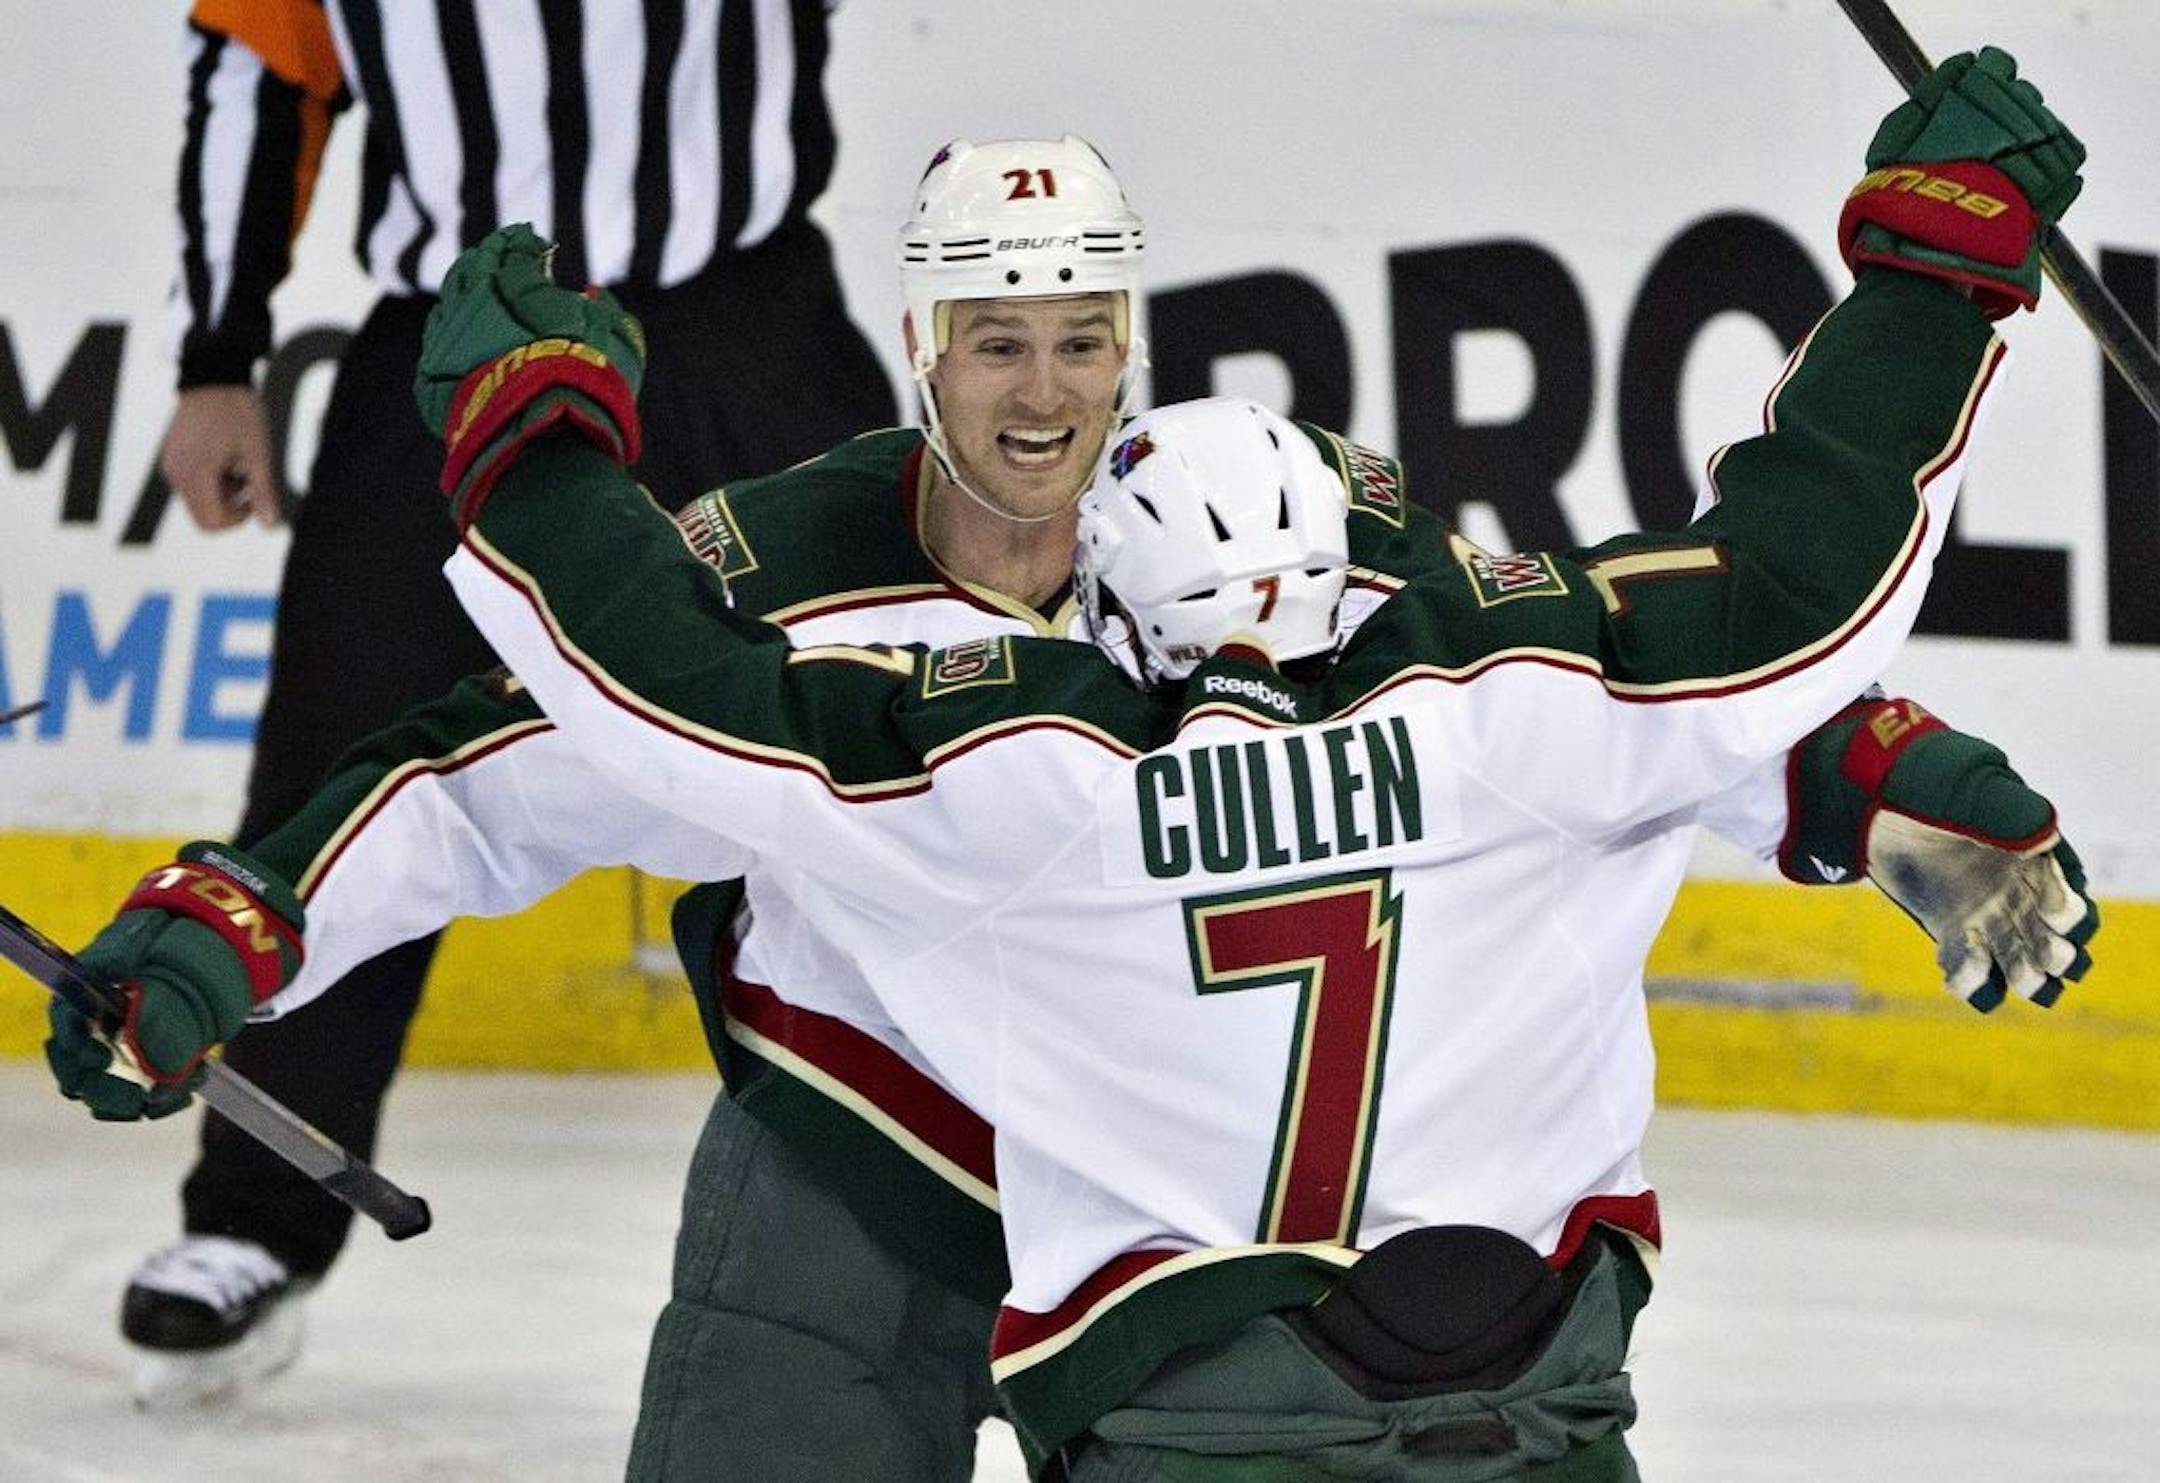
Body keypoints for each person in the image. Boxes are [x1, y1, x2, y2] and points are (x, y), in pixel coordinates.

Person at [51, 48, 2099, 1481]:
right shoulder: (781, 571)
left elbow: (1547, 719)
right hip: (878, 1173)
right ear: (919, 350)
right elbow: (494, 782)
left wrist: (1863, 782)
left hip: (1179, 1250)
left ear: (1136, 341)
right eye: (997, 342)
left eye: (1083, 339)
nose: (1044, 393)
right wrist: (246, 923)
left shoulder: (1276, 534)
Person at [130, 0, 896, 1409]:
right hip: (454, 343)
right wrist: (216, 360)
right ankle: (261, 1206)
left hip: (742, 318)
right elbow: (258, 68)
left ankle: (971, 1193)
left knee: (893, 730)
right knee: (340, 759)